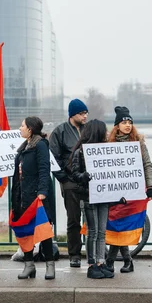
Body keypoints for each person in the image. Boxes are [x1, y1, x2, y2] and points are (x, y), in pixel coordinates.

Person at [105, 107, 152, 273]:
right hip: (115, 192)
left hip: (134, 192)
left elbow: (147, 165)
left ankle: (111, 262)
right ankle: (126, 260)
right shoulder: (108, 143)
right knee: (116, 225)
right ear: (117, 125)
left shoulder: (138, 143)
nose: (127, 125)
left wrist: (150, 186)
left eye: (130, 122)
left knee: (123, 226)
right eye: (124, 122)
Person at [11, 117, 55, 280]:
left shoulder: (40, 145)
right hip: (22, 196)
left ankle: (50, 265)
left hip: (36, 196)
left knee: (43, 232)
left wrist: (42, 192)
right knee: (25, 232)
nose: (20, 128)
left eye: (22, 126)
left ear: (30, 129)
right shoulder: (23, 148)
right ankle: (29, 265)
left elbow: (45, 169)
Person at [70, 119, 114, 279]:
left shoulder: (106, 151)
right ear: (98, 132)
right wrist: (85, 176)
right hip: (88, 196)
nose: (107, 134)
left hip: (103, 195)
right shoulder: (80, 152)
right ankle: (91, 264)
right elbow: (74, 174)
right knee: (93, 231)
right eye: (105, 131)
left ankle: (100, 262)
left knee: (102, 232)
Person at [49, 98, 89, 267]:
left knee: (93, 218)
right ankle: (75, 254)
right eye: (82, 113)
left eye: (86, 113)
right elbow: (53, 157)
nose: (85, 116)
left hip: (88, 180)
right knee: (73, 219)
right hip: (70, 182)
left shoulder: (89, 130)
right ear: (73, 114)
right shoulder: (60, 131)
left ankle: (95, 251)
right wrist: (63, 179)